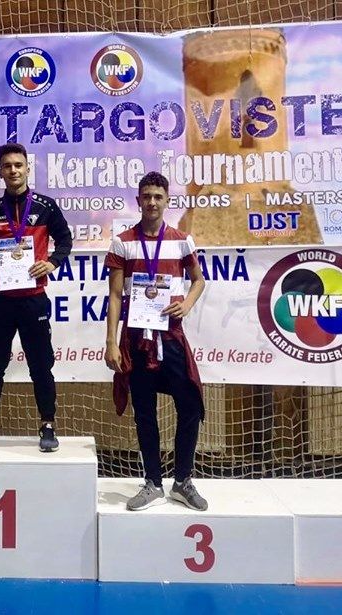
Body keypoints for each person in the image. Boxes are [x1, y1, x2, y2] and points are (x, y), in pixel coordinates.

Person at [0, 143, 72, 452]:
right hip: (0, 300)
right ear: (0, 172)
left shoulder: (45, 207)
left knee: (41, 366)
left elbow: (65, 240)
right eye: (7, 166)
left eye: (18, 165)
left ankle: (48, 425)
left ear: (27, 169)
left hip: (33, 299)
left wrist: (52, 262)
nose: (13, 170)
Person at [104, 172, 208, 511]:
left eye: (158, 197)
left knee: (190, 404)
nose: (152, 202)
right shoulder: (122, 242)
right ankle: (152, 482)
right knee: (144, 411)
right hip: (136, 339)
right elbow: (115, 296)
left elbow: (198, 280)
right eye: (146, 196)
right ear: (138, 201)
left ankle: (183, 480)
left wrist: (187, 303)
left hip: (171, 336)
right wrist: (111, 342)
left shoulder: (181, 240)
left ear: (167, 201)